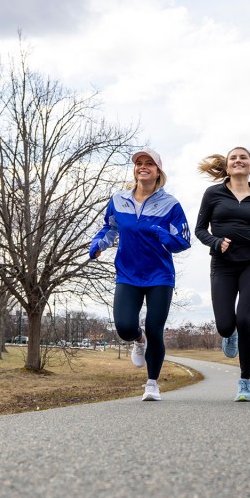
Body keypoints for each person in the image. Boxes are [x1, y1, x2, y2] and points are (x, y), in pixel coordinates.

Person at [89, 147, 191, 401]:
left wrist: (165, 236)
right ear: (135, 170)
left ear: (158, 172)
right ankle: (138, 339)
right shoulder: (118, 200)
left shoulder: (170, 204)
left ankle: (152, 383)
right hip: (128, 274)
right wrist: (98, 244)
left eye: (149, 164)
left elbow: (184, 240)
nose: (143, 166)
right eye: (139, 163)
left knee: (156, 328)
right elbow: (109, 228)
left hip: (159, 276)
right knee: (124, 327)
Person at [195, 147, 250, 402]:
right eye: (233, 158)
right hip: (222, 265)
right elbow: (199, 229)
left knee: (245, 319)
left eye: (244, 158)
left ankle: (245, 381)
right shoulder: (213, 194)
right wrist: (216, 243)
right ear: (227, 168)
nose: (238, 161)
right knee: (225, 325)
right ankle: (230, 335)